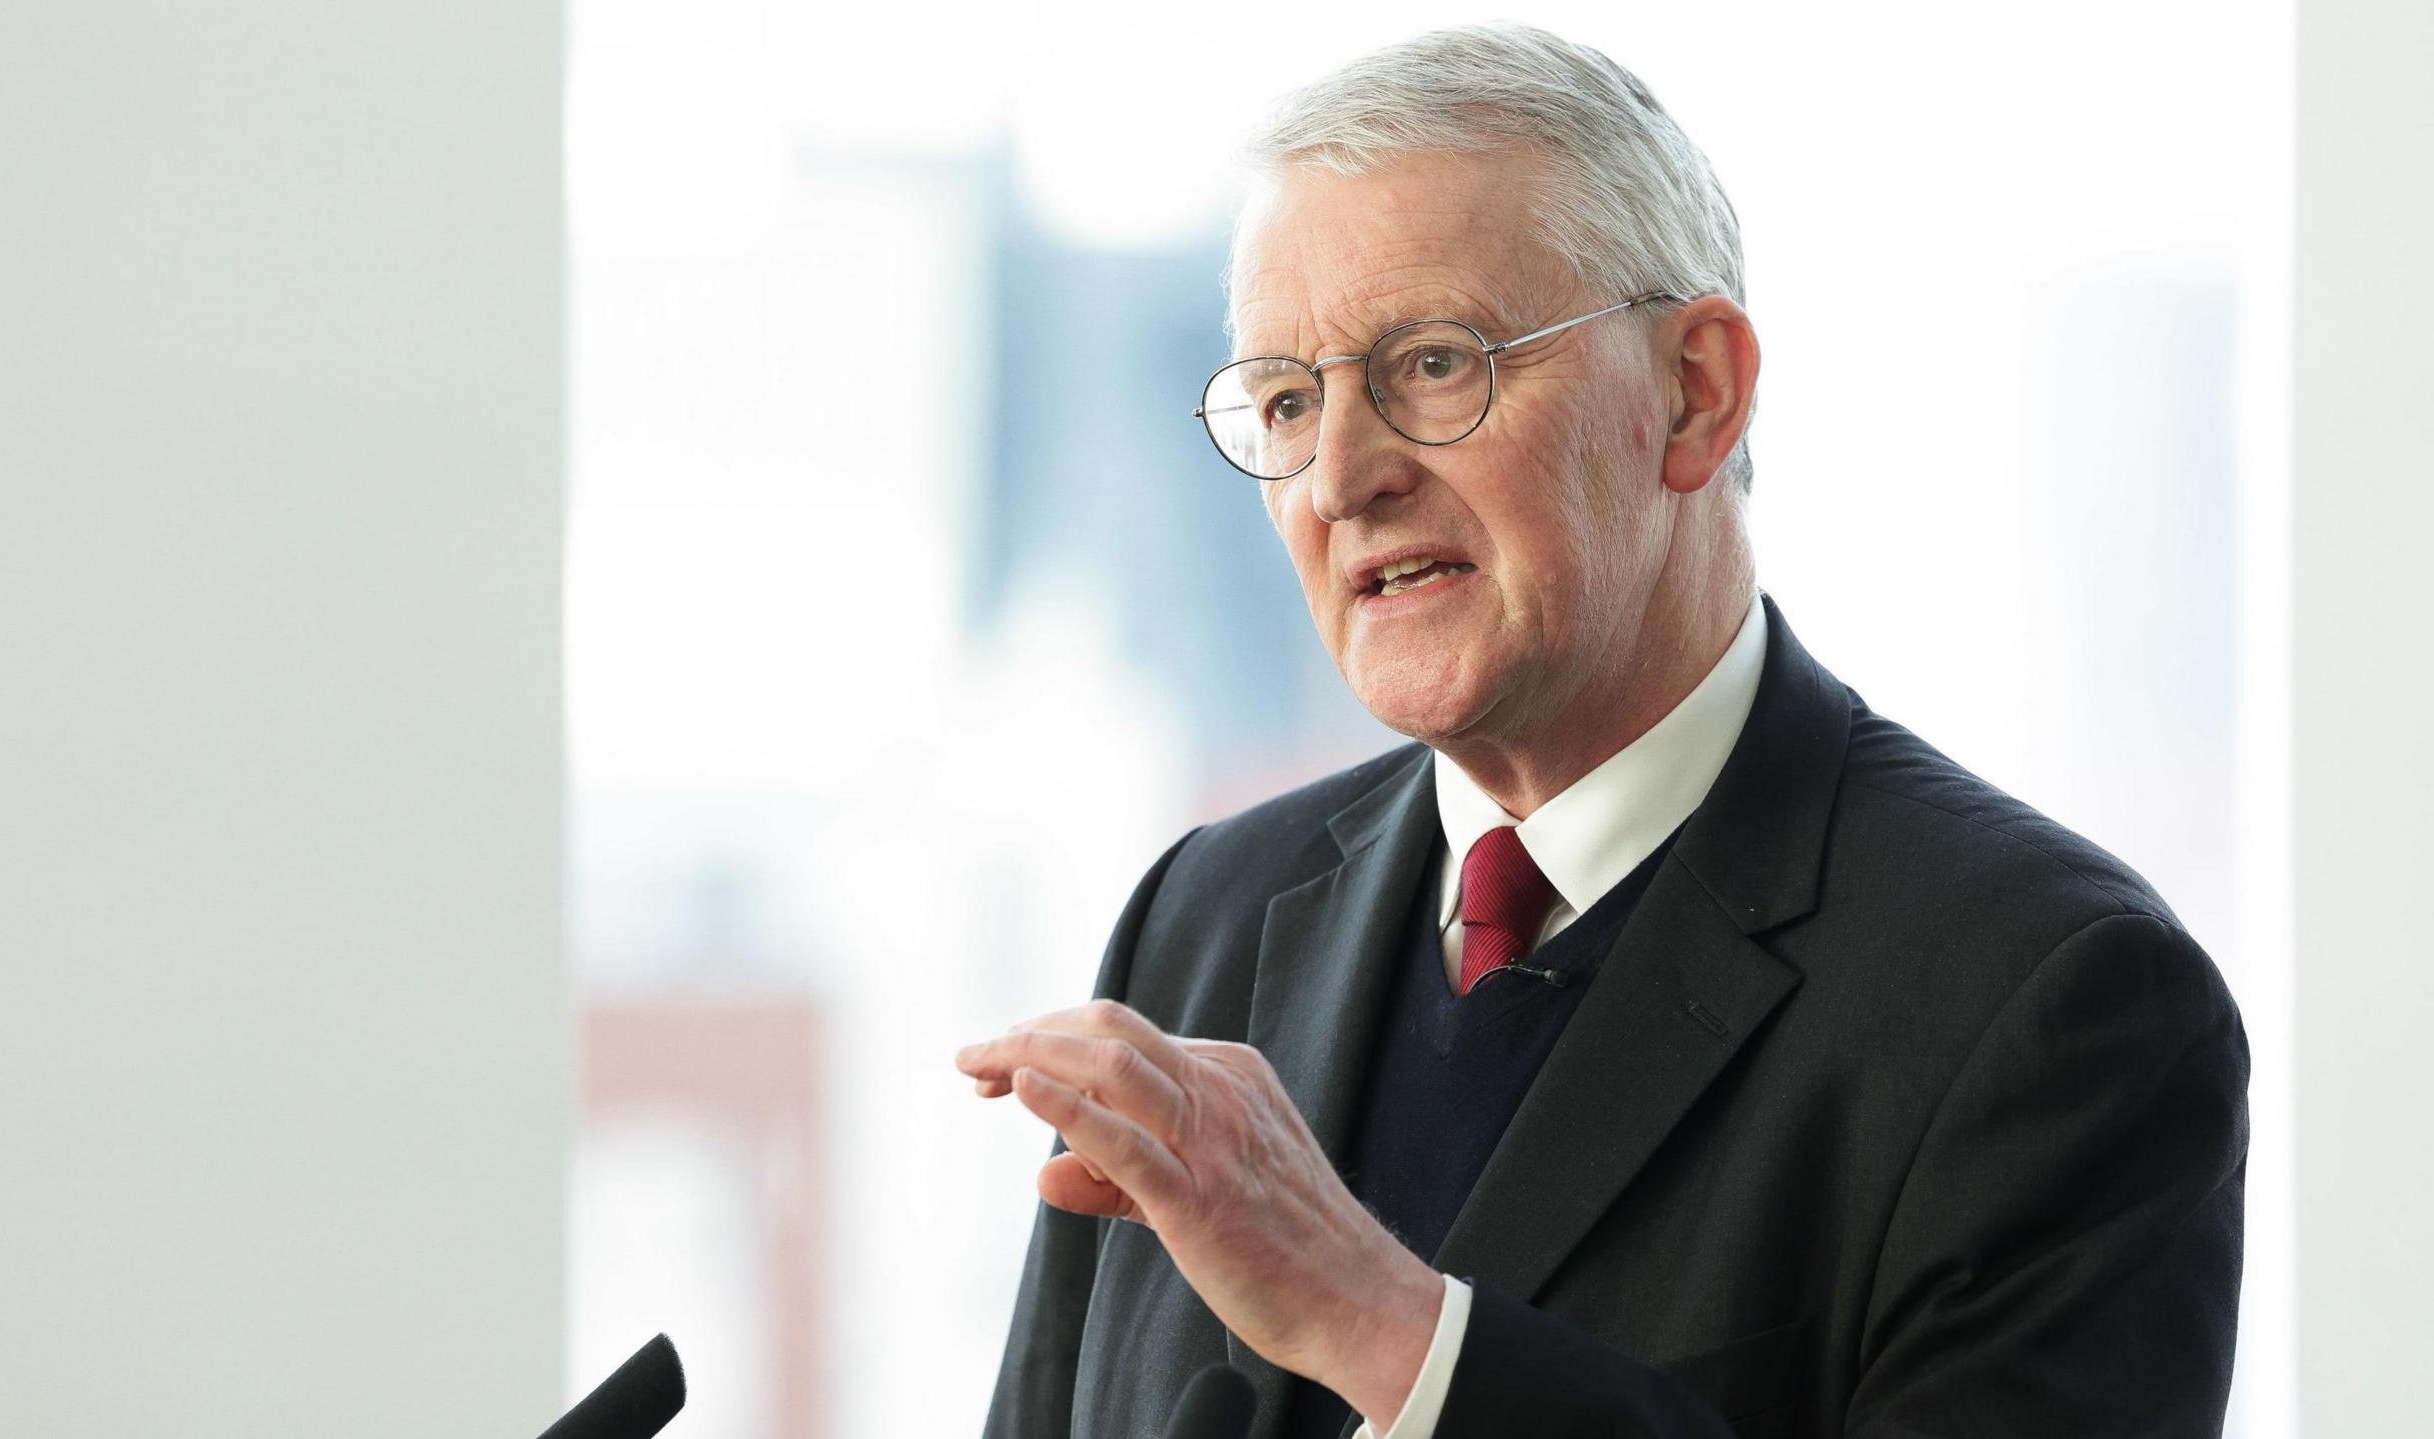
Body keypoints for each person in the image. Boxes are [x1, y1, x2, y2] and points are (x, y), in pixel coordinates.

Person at [955, 23, 2247, 1439]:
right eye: (1286, 399)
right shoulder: (1199, 920)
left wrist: (1385, 1330)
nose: (1338, 480)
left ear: (1696, 391)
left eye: (1434, 364)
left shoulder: (2051, 1001)